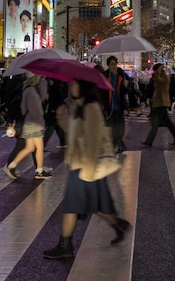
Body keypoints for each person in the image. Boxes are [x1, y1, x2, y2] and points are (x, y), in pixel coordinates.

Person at [43, 80, 132, 259]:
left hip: (85, 167)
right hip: (83, 165)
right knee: (95, 204)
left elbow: (94, 140)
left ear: (84, 86)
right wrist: (62, 117)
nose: (71, 87)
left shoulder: (91, 108)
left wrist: (88, 171)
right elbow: (73, 132)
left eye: (75, 84)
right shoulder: (79, 107)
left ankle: (65, 246)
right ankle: (118, 225)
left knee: (71, 206)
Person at [4, 75, 52, 180]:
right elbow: (35, 109)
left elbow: (23, 110)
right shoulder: (31, 91)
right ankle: (39, 171)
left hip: (29, 122)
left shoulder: (27, 89)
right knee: (39, 147)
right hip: (35, 123)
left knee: (30, 147)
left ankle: (12, 165)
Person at [141, 65, 175, 148]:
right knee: (168, 123)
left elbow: (158, 80)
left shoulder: (165, 77)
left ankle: (149, 141)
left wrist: (157, 71)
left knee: (155, 123)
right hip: (159, 103)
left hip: (162, 103)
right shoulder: (161, 76)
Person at [104, 57, 129, 153]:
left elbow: (127, 92)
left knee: (120, 129)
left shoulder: (122, 75)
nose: (114, 66)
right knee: (111, 129)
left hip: (119, 106)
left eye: (115, 64)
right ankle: (120, 145)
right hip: (109, 107)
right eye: (112, 64)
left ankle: (115, 146)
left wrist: (126, 86)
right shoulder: (105, 76)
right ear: (108, 65)